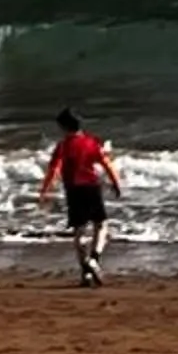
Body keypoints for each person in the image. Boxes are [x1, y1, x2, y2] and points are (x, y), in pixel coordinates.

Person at [37, 108, 124, 288]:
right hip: (91, 187)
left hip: (73, 190)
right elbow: (106, 164)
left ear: (63, 127)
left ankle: (85, 272)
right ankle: (95, 258)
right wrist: (116, 183)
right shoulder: (92, 142)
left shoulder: (63, 146)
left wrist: (45, 191)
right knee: (101, 225)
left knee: (79, 231)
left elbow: (53, 170)